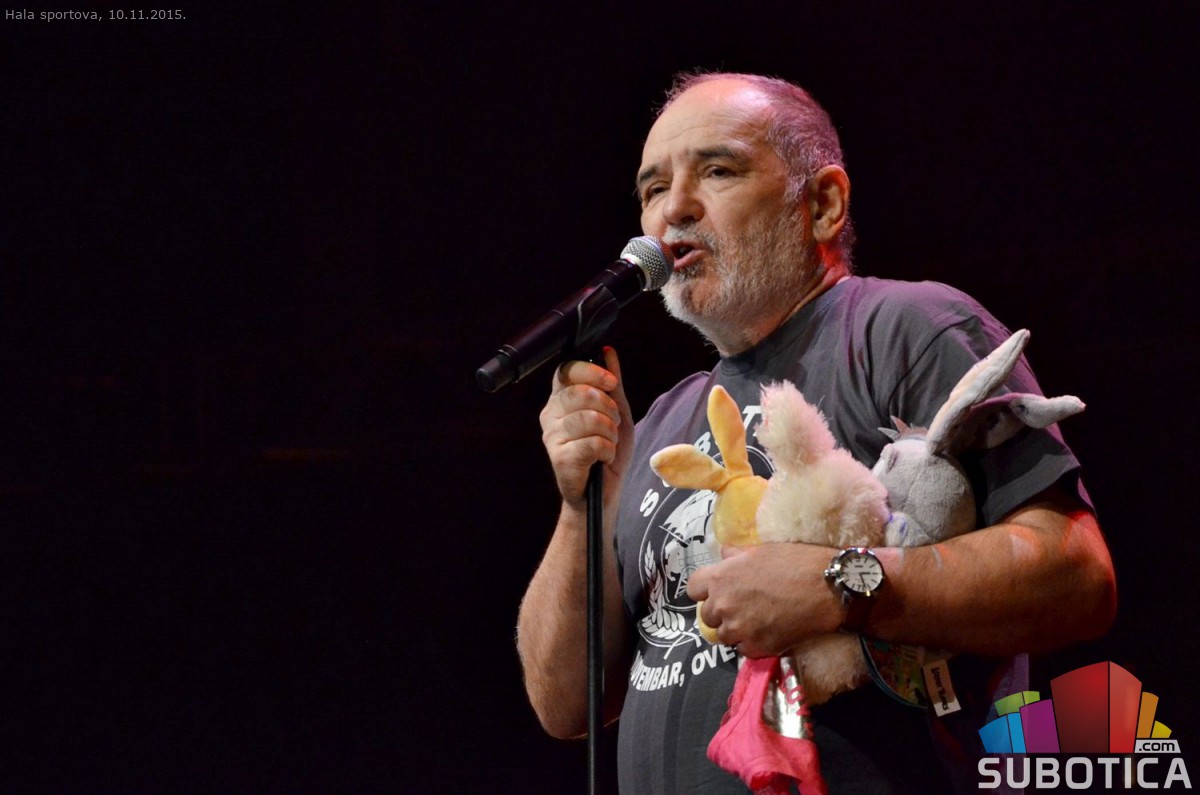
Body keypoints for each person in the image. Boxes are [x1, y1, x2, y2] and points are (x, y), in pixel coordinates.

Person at [515, 72, 1116, 794]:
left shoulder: (906, 329)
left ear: (823, 203)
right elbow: (565, 704)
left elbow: (1077, 575)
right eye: (653, 188)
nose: (673, 208)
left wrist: (843, 584)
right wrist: (582, 505)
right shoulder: (659, 426)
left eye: (717, 170)